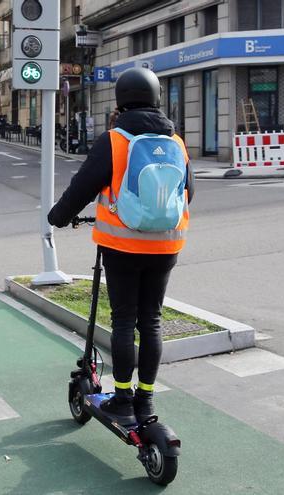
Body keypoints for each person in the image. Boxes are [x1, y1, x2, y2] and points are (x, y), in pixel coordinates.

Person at [47, 67, 194, 423]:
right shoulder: (176, 142)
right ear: (157, 97)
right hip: (167, 245)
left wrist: (58, 216)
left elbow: (81, 188)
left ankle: (124, 396)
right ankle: (147, 400)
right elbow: (189, 192)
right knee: (152, 321)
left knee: (125, 321)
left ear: (120, 100)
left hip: (122, 247)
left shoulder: (114, 141)